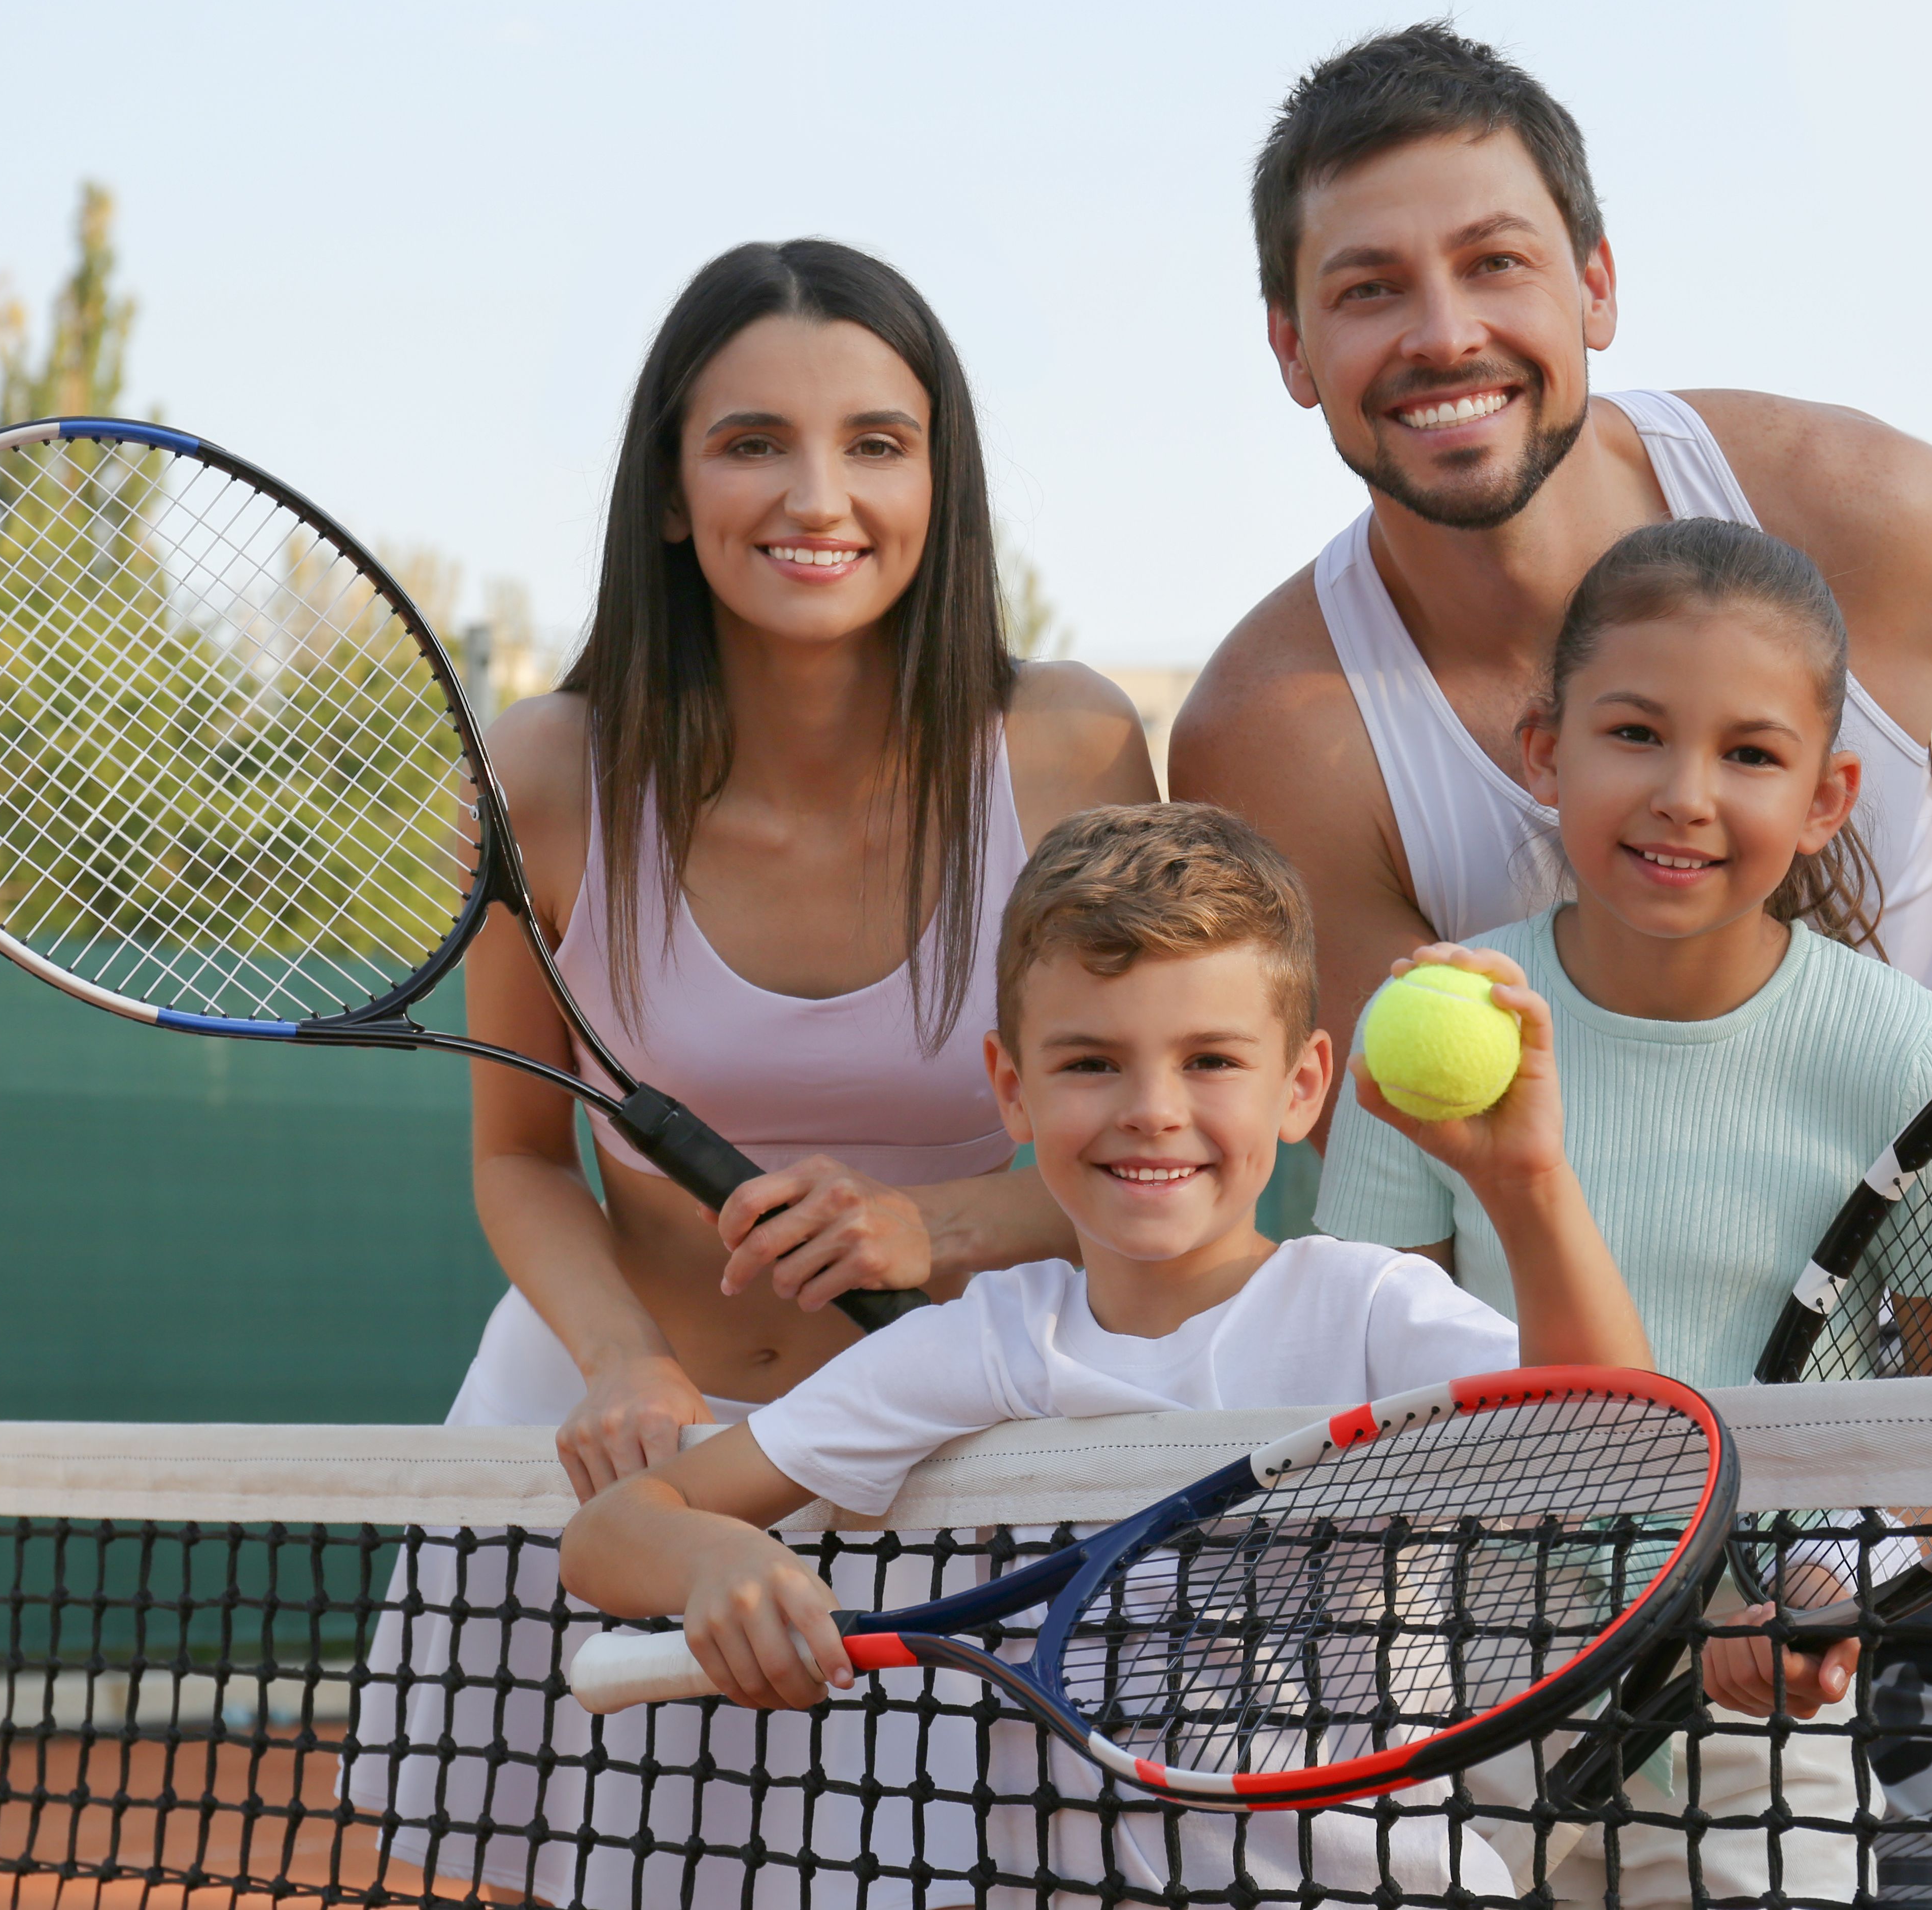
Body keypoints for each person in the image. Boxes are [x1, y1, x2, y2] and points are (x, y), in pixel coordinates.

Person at [1169, 24, 1932, 1904]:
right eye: (1367, 288)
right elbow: (1439, 1195)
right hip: (1576, 1514)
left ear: (1594, 281)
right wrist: (1676, 1556)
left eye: (1496, 261)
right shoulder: (1278, 733)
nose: (1441, 332)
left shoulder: (1859, 503)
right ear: (1293, 351)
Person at [343, 239, 1155, 1904]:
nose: (816, 492)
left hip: (960, 1461)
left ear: (943, 480)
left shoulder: (1070, 751)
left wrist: (935, 1227)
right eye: (750, 441)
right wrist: (621, 1361)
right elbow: (518, 1154)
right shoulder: (546, 774)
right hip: (616, 1459)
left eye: (875, 440)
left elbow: (1162, 1154)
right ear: (668, 491)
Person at [561, 801, 1652, 1909]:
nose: (1152, 1111)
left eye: (1211, 1059)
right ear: (1011, 1088)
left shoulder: (1363, 1307)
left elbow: (1624, 1445)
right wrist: (711, 1562)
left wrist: (1524, 1184)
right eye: (1090, 1061)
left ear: (1303, 1086)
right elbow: (609, 1531)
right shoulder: (989, 1341)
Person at [1321, 517, 1932, 1904]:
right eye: (1633, 733)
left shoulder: (1902, 1052)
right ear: (1544, 751)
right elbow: (1356, 1377)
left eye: (1748, 755)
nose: (1683, 794)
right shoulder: (1431, 1025)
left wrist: (1830, 1586)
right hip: (1467, 1683)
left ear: (1825, 797)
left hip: (1761, 1710)